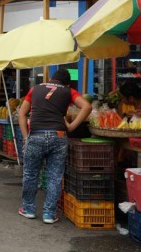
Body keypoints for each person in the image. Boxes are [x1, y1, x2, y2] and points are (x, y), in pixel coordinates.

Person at [17, 69, 91, 223]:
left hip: (36, 135)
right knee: (54, 177)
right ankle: (49, 214)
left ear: (50, 78)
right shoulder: (69, 91)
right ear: (67, 83)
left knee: (31, 174)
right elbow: (87, 107)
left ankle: (28, 209)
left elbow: (22, 113)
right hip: (59, 136)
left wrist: (26, 137)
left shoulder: (35, 89)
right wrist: (71, 127)